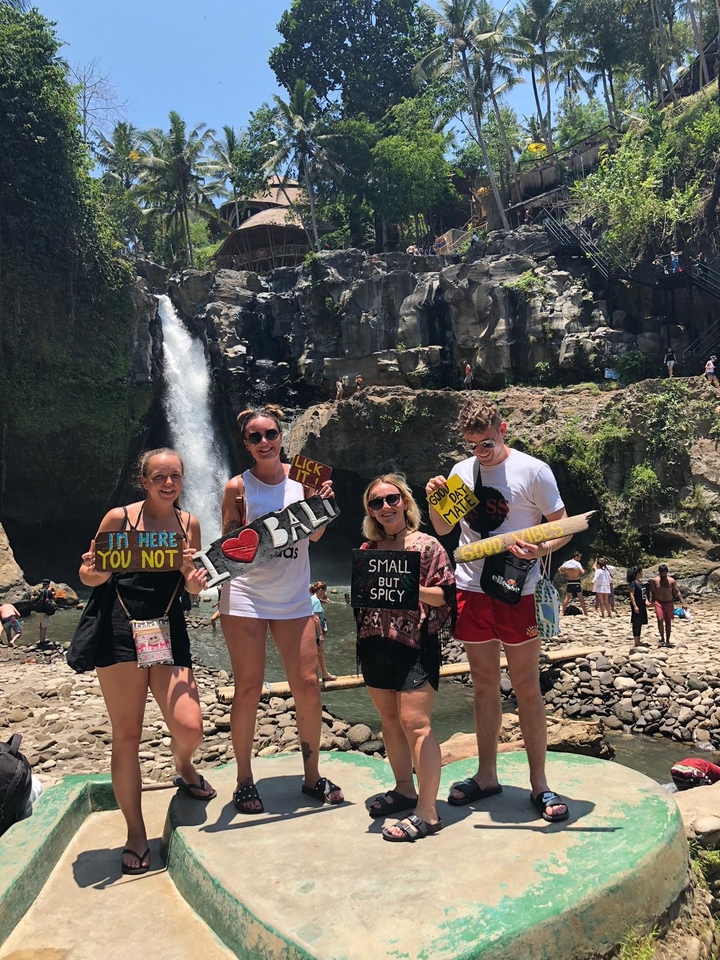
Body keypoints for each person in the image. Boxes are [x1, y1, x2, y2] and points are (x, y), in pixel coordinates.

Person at [426, 397, 572, 823]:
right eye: (472, 445)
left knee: (527, 685)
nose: (480, 452)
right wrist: (437, 498)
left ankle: (539, 783)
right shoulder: (460, 472)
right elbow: (442, 529)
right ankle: (486, 775)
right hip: (472, 587)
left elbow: (560, 523)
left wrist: (542, 545)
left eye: (486, 443)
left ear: (503, 429)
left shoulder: (533, 470)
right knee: (485, 685)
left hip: (518, 590)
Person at [78, 448, 214, 876]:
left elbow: (192, 585)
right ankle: (136, 833)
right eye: (159, 476)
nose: (168, 483)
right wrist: (94, 572)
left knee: (190, 726)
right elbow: (89, 575)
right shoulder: (119, 519)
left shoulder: (188, 523)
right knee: (128, 735)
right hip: (120, 627)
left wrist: (195, 583)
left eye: (175, 476)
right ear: (145, 480)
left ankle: (184, 765)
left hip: (167, 627)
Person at [219, 405, 343, 814]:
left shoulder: (307, 476)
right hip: (246, 595)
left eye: (270, 434)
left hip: (293, 594)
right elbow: (228, 546)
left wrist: (320, 504)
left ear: (281, 436)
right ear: (247, 444)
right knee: (249, 687)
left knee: (307, 683)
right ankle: (244, 780)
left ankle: (312, 777)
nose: (264, 442)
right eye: (255, 437)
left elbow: (320, 535)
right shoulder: (237, 486)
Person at [357, 474, 455, 841]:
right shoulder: (367, 551)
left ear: (406, 502)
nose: (386, 507)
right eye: (377, 502)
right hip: (373, 644)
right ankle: (404, 789)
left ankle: (428, 812)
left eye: (392, 499)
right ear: (370, 510)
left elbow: (446, 597)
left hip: (414, 644)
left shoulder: (428, 546)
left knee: (416, 724)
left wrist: (412, 587)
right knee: (389, 719)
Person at [647, 564, 686, 647]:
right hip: (659, 602)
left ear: (667, 572)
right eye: (661, 573)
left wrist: (683, 602)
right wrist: (651, 600)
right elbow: (652, 591)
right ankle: (662, 638)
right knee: (660, 619)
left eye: (664, 572)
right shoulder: (655, 580)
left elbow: (677, 592)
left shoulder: (671, 581)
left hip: (669, 602)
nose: (663, 574)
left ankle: (668, 640)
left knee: (668, 622)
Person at [310, 581, 336, 682]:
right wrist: (321, 634)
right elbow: (315, 618)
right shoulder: (316, 601)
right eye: (325, 591)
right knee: (320, 653)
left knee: (314, 653)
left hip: (310, 630)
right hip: (315, 631)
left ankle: (315, 674)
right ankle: (325, 674)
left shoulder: (312, 598)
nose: (325, 594)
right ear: (321, 590)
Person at [558, 552, 587, 616]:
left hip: (570, 581)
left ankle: (562, 612)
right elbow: (582, 572)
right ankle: (585, 613)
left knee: (567, 597)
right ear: (575, 557)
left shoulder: (567, 563)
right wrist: (580, 571)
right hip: (576, 581)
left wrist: (565, 573)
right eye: (579, 556)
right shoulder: (577, 563)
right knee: (580, 598)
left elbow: (559, 569)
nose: (580, 558)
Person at [627, 566, 648, 647]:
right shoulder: (633, 583)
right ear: (638, 573)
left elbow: (644, 594)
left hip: (642, 605)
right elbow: (631, 595)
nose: (642, 573)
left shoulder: (640, 583)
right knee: (636, 622)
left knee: (640, 622)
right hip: (637, 605)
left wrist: (647, 601)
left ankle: (638, 640)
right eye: (641, 572)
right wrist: (635, 606)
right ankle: (636, 641)